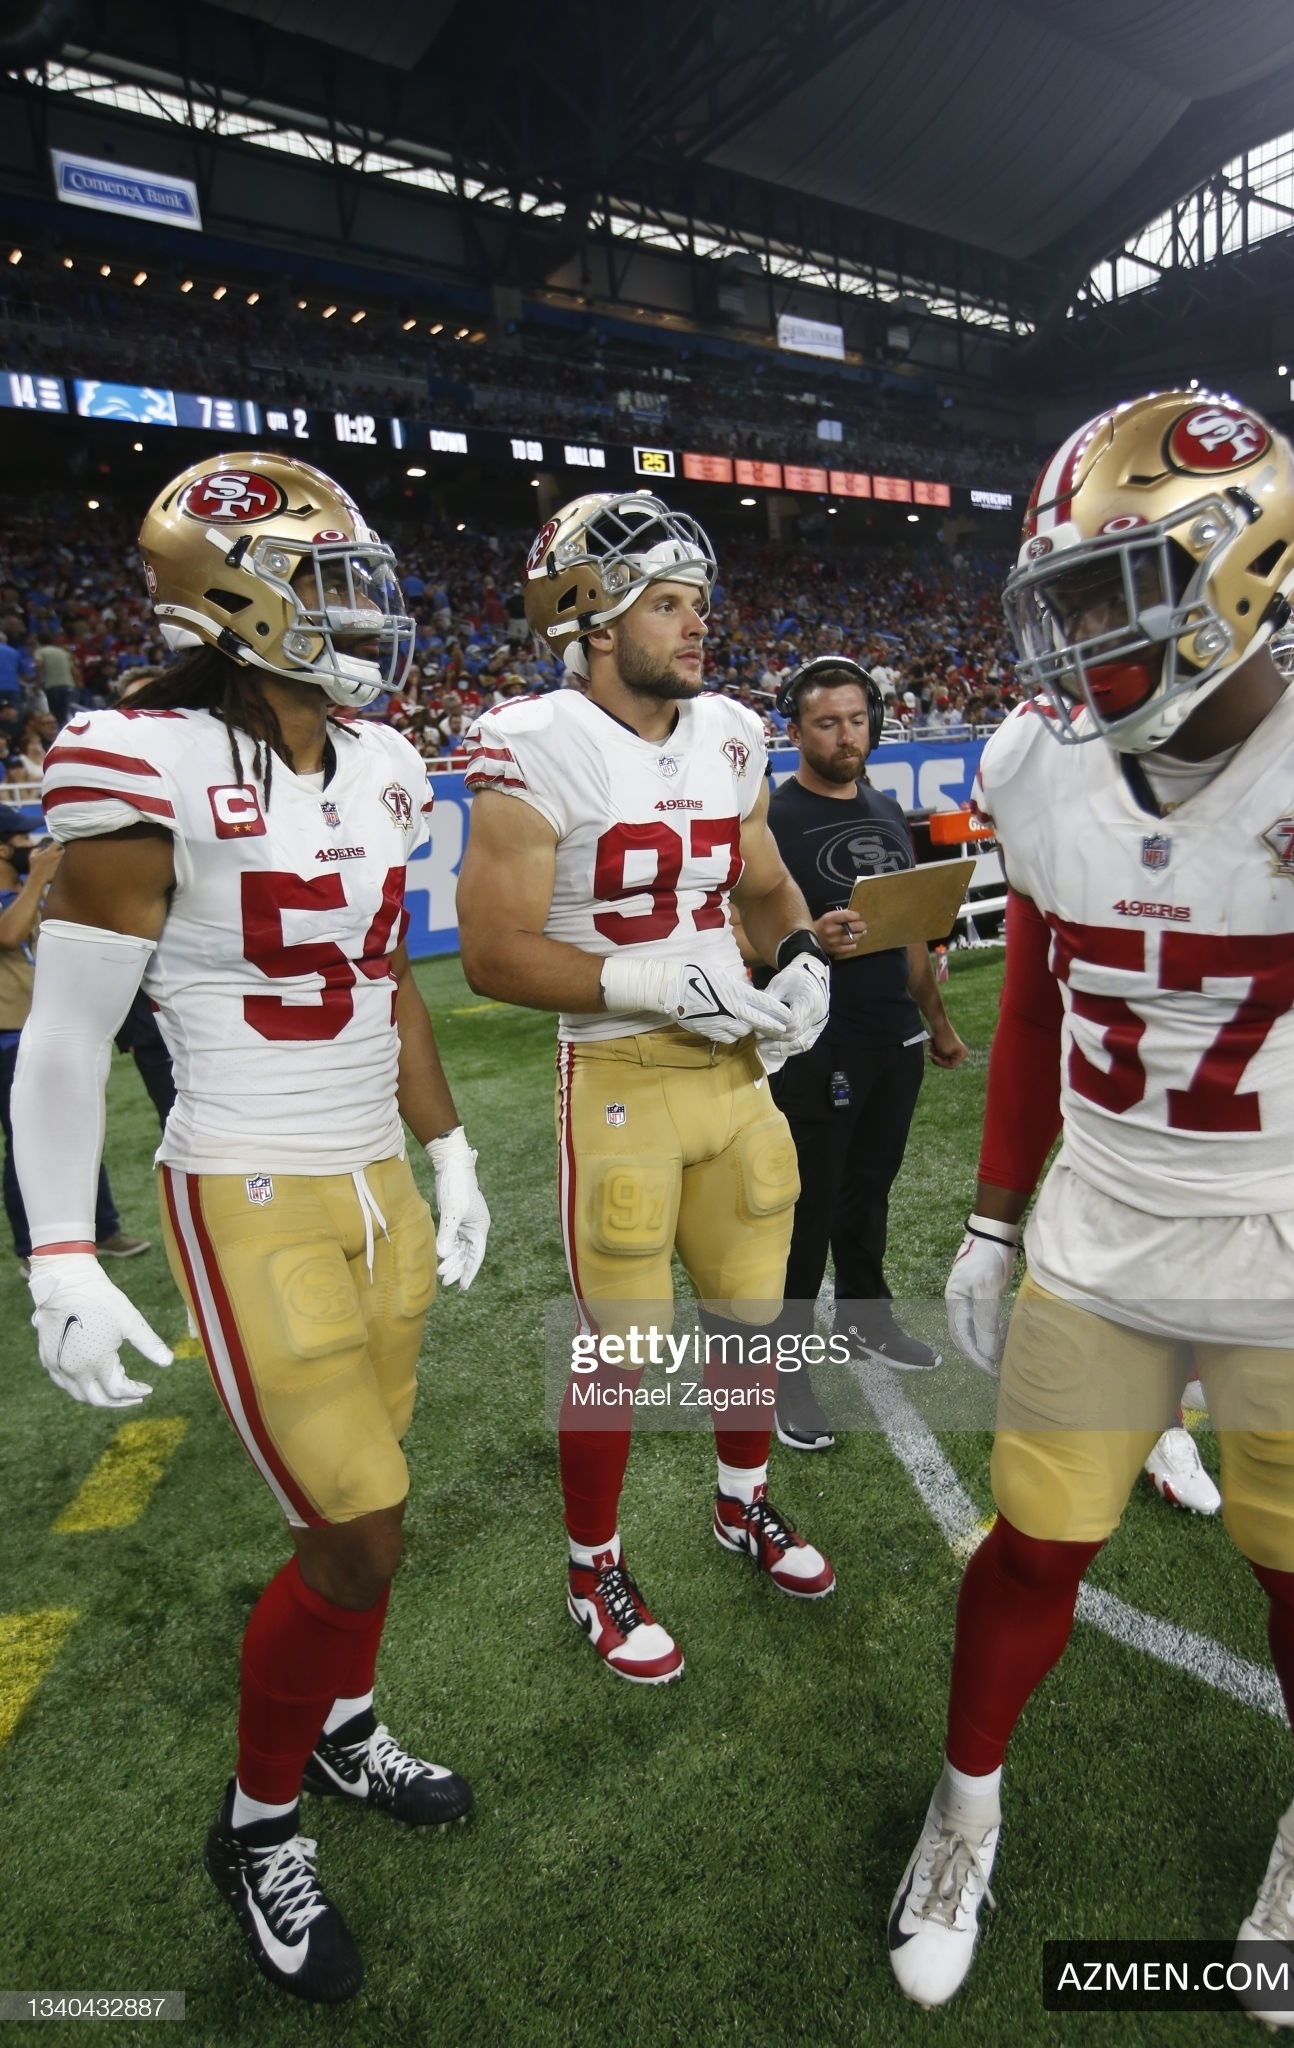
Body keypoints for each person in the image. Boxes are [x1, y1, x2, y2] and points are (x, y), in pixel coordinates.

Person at [888, 390, 1294, 2026]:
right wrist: (991, 1219)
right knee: (1033, 1544)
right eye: (1063, 593)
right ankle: (962, 1813)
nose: (1076, 638)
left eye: (1115, 590)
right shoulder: (1040, 763)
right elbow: (1034, 997)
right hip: (1100, 1243)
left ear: (1241, 576)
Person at [12, 452, 491, 2007]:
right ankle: (256, 1823)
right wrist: (59, 1251)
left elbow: (386, 977)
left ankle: (342, 1732)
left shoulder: (385, 762)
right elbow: (67, 1033)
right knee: (358, 1529)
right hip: (246, 1181)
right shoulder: (137, 757)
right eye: (326, 585)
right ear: (232, 598)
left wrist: (450, 1147)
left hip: (376, 1183)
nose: (360, 615)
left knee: (373, 1501)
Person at [456, 489, 836, 1686]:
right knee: (618, 1350)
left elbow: (762, 880)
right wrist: (652, 978)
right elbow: (493, 952)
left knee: (752, 1312)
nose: (696, 624)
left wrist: (801, 958)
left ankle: (741, 1499)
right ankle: (593, 1568)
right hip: (619, 1072)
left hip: (736, 1073)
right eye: (666, 603)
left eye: (696, 602)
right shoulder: (535, 740)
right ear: (593, 620)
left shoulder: (728, 730)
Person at [755, 657, 967, 1452]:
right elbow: (739, 930)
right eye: (826, 723)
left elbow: (909, 934)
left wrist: (935, 1020)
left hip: (891, 1035)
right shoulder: (771, 818)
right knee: (806, 1211)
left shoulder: (882, 808)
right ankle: (784, 1372)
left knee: (869, 1192)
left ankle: (865, 1322)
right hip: (816, 1039)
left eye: (856, 720)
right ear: (795, 730)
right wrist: (806, 940)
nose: (846, 736)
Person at [0, 803, 149, 1275]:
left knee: (76, 1126)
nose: (33, 846)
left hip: (47, 1023)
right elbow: (8, 935)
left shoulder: (28, 891)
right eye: (22, 839)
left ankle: (101, 1229)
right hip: (7, 1034)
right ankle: (33, 1248)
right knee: (28, 1141)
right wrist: (36, 881)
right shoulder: (23, 891)